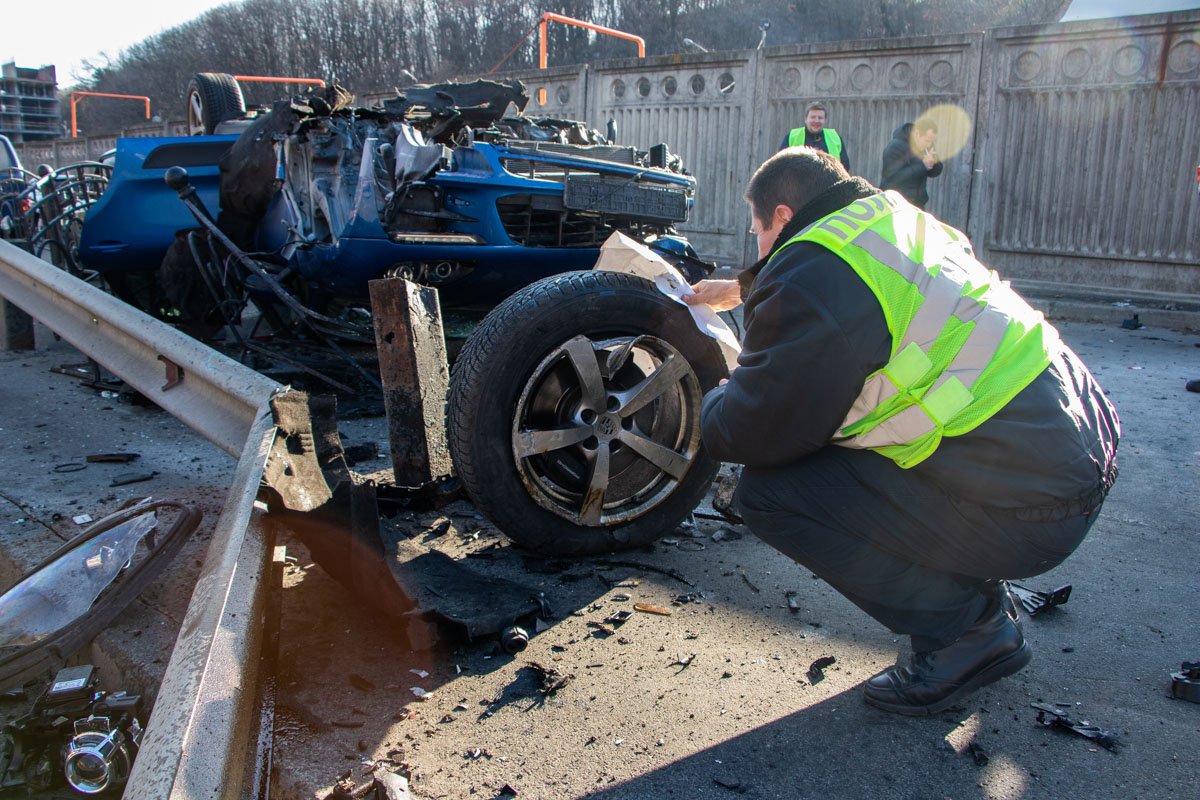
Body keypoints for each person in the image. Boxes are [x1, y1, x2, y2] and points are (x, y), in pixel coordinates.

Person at [684, 147, 1120, 716]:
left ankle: (970, 633)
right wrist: (744, 285)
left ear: (784, 217)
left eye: (758, 232)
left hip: (1033, 513)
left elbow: (747, 431)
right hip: (1082, 450)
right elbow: (845, 285)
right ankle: (973, 592)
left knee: (771, 495)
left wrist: (715, 390)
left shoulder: (812, 277)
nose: (758, 246)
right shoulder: (897, 218)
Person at [880, 117, 943, 209]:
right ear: (917, 133)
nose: (929, 145)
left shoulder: (926, 147)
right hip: (895, 205)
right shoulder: (895, 147)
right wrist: (923, 165)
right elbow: (891, 177)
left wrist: (934, 162)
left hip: (917, 204)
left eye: (932, 141)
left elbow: (934, 172)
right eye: (927, 140)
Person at [780, 101, 850, 172]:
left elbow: (845, 166)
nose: (816, 121)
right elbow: (780, 163)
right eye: (813, 117)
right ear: (806, 119)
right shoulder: (792, 136)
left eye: (820, 118)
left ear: (825, 120)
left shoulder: (835, 137)